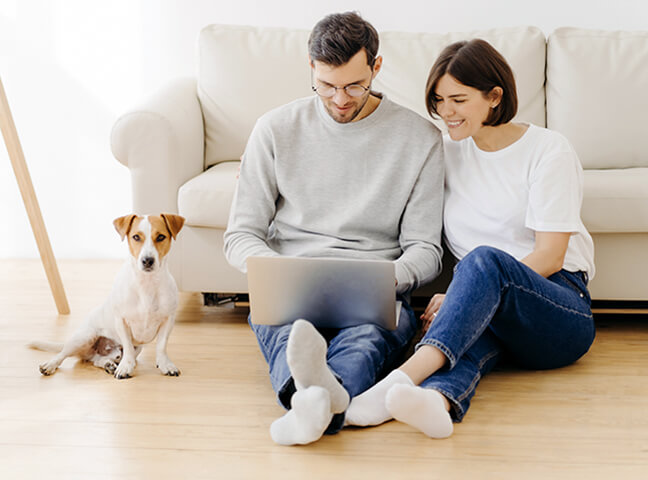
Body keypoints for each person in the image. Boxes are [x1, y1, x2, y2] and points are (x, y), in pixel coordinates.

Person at [345, 38, 596, 439]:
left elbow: (550, 256)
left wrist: (468, 288)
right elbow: (376, 176)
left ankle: (397, 381)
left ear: (494, 96)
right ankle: (437, 403)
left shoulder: (548, 149)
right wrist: (277, 179)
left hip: (559, 309)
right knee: (467, 337)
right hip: (490, 313)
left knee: (482, 261)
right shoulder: (444, 152)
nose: (446, 112)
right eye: (439, 100)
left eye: (458, 100)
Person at [223, 12, 445, 446]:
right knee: (286, 333)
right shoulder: (274, 129)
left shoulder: (420, 139)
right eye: (326, 85)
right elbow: (240, 234)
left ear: (376, 68)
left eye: (353, 86)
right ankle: (319, 402)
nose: (339, 99)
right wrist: (276, 272)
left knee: (366, 340)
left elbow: (425, 248)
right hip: (290, 279)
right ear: (311, 68)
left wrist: (389, 278)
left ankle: (307, 406)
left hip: (374, 286)